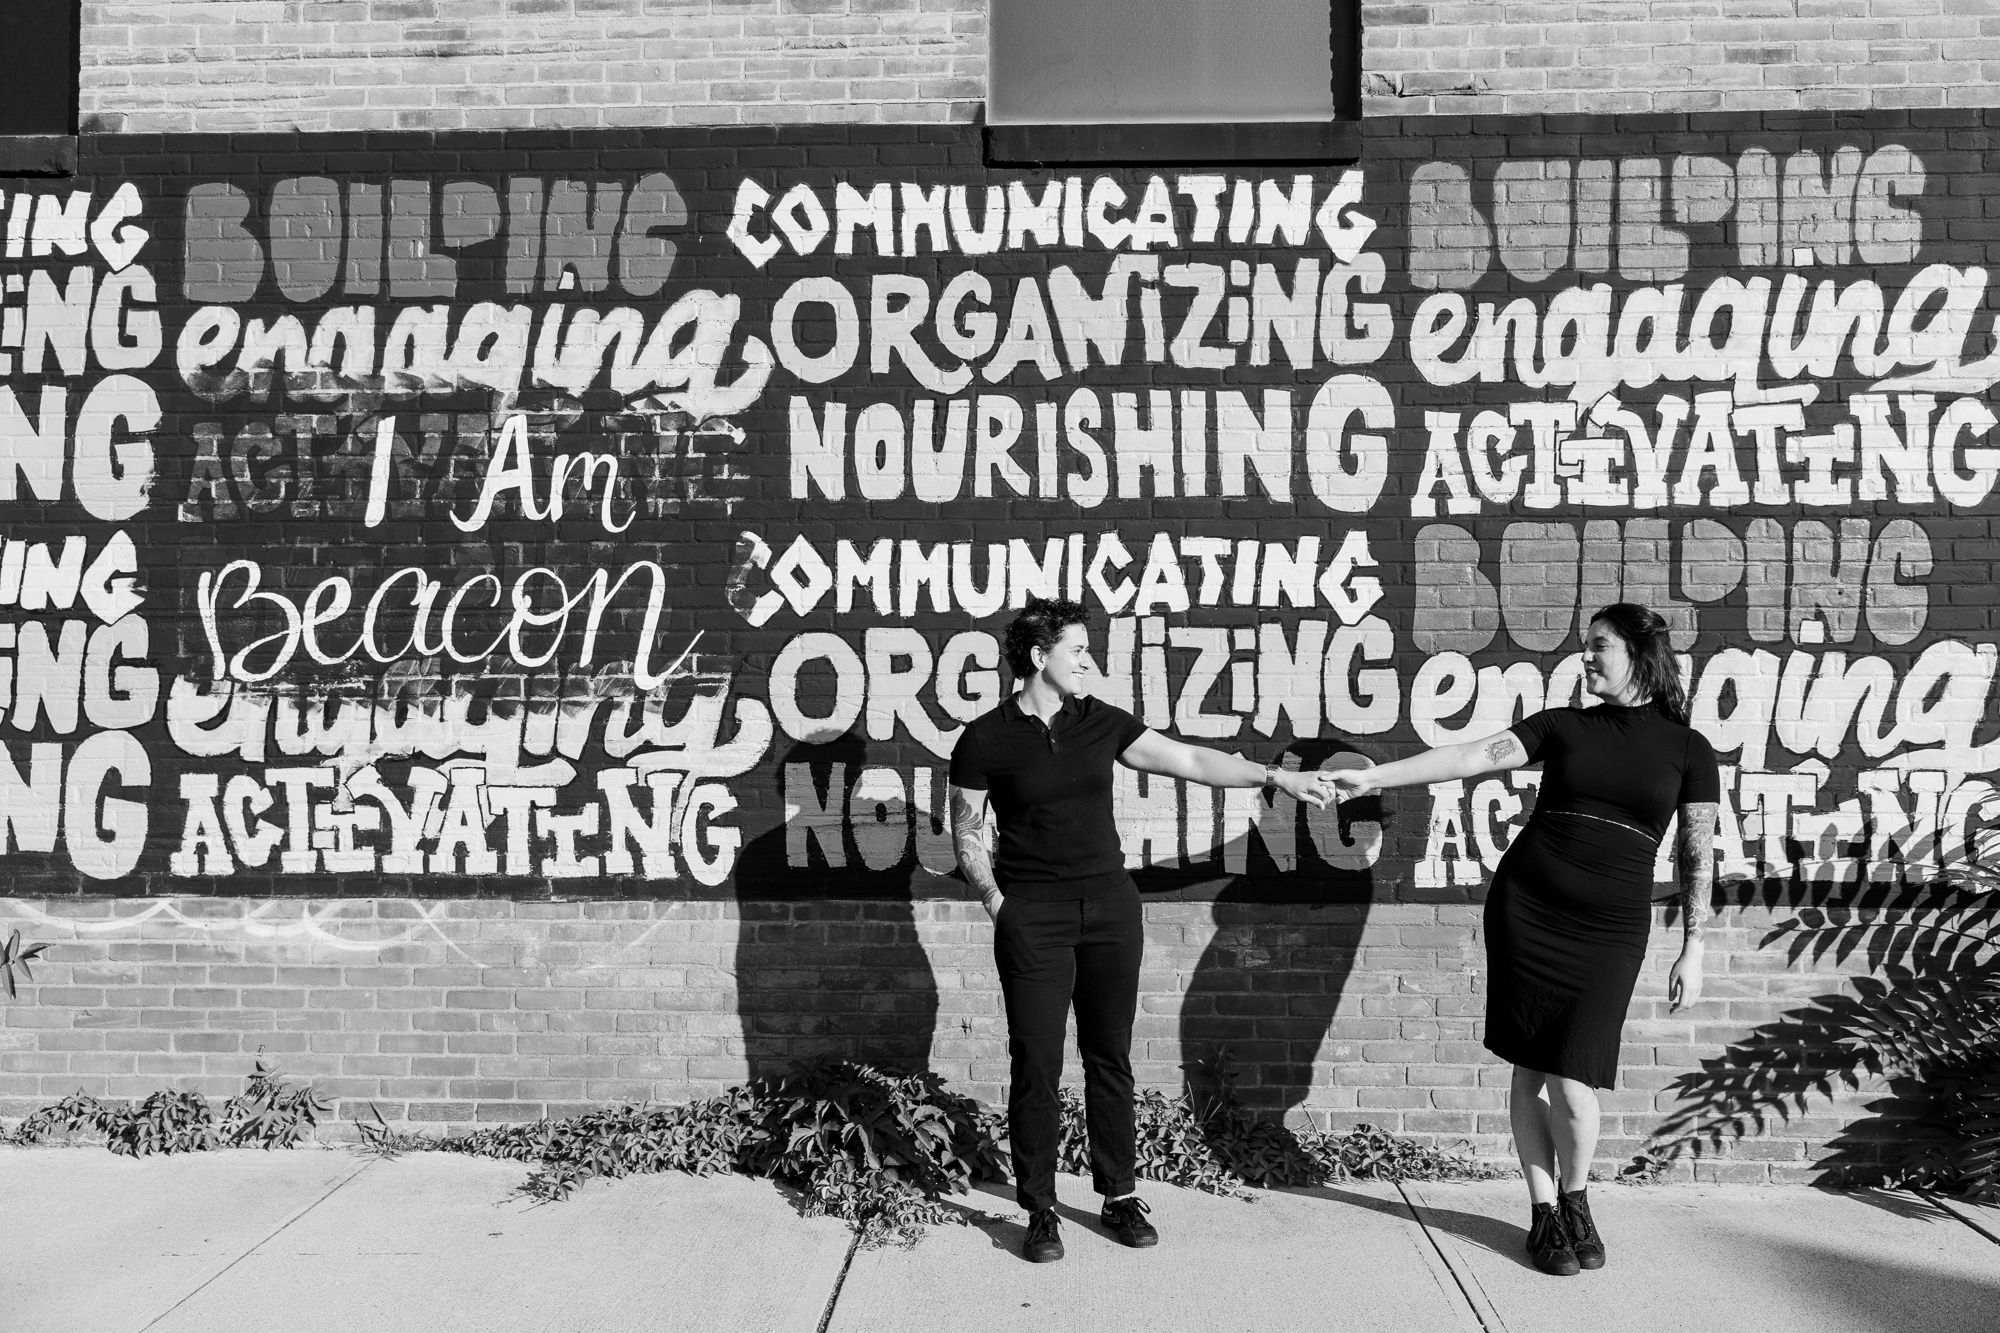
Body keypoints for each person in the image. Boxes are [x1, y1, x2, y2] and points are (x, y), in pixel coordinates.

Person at [1329, 603, 1718, 1277]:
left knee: (1575, 1078)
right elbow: (1467, 755)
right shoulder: (1562, 726)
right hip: (1528, 910)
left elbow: (1696, 849)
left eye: (1599, 645)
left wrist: (1695, 942)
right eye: (1585, 645)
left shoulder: (1689, 749)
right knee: (1530, 1065)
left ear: (1638, 653)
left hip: (1610, 929)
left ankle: (1577, 1198)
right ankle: (1544, 1213)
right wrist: (1371, 776)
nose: (1585, 656)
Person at [949, 596, 1337, 1263]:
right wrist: (997, 903)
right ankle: (1039, 1208)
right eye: (1077, 650)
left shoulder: (1099, 721)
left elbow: (1191, 761)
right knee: (1036, 1063)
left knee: (1110, 1057)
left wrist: (1277, 777)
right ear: (1039, 656)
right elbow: (965, 829)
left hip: (1109, 910)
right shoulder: (985, 738)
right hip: (1033, 917)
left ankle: (1119, 1194)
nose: (1087, 662)